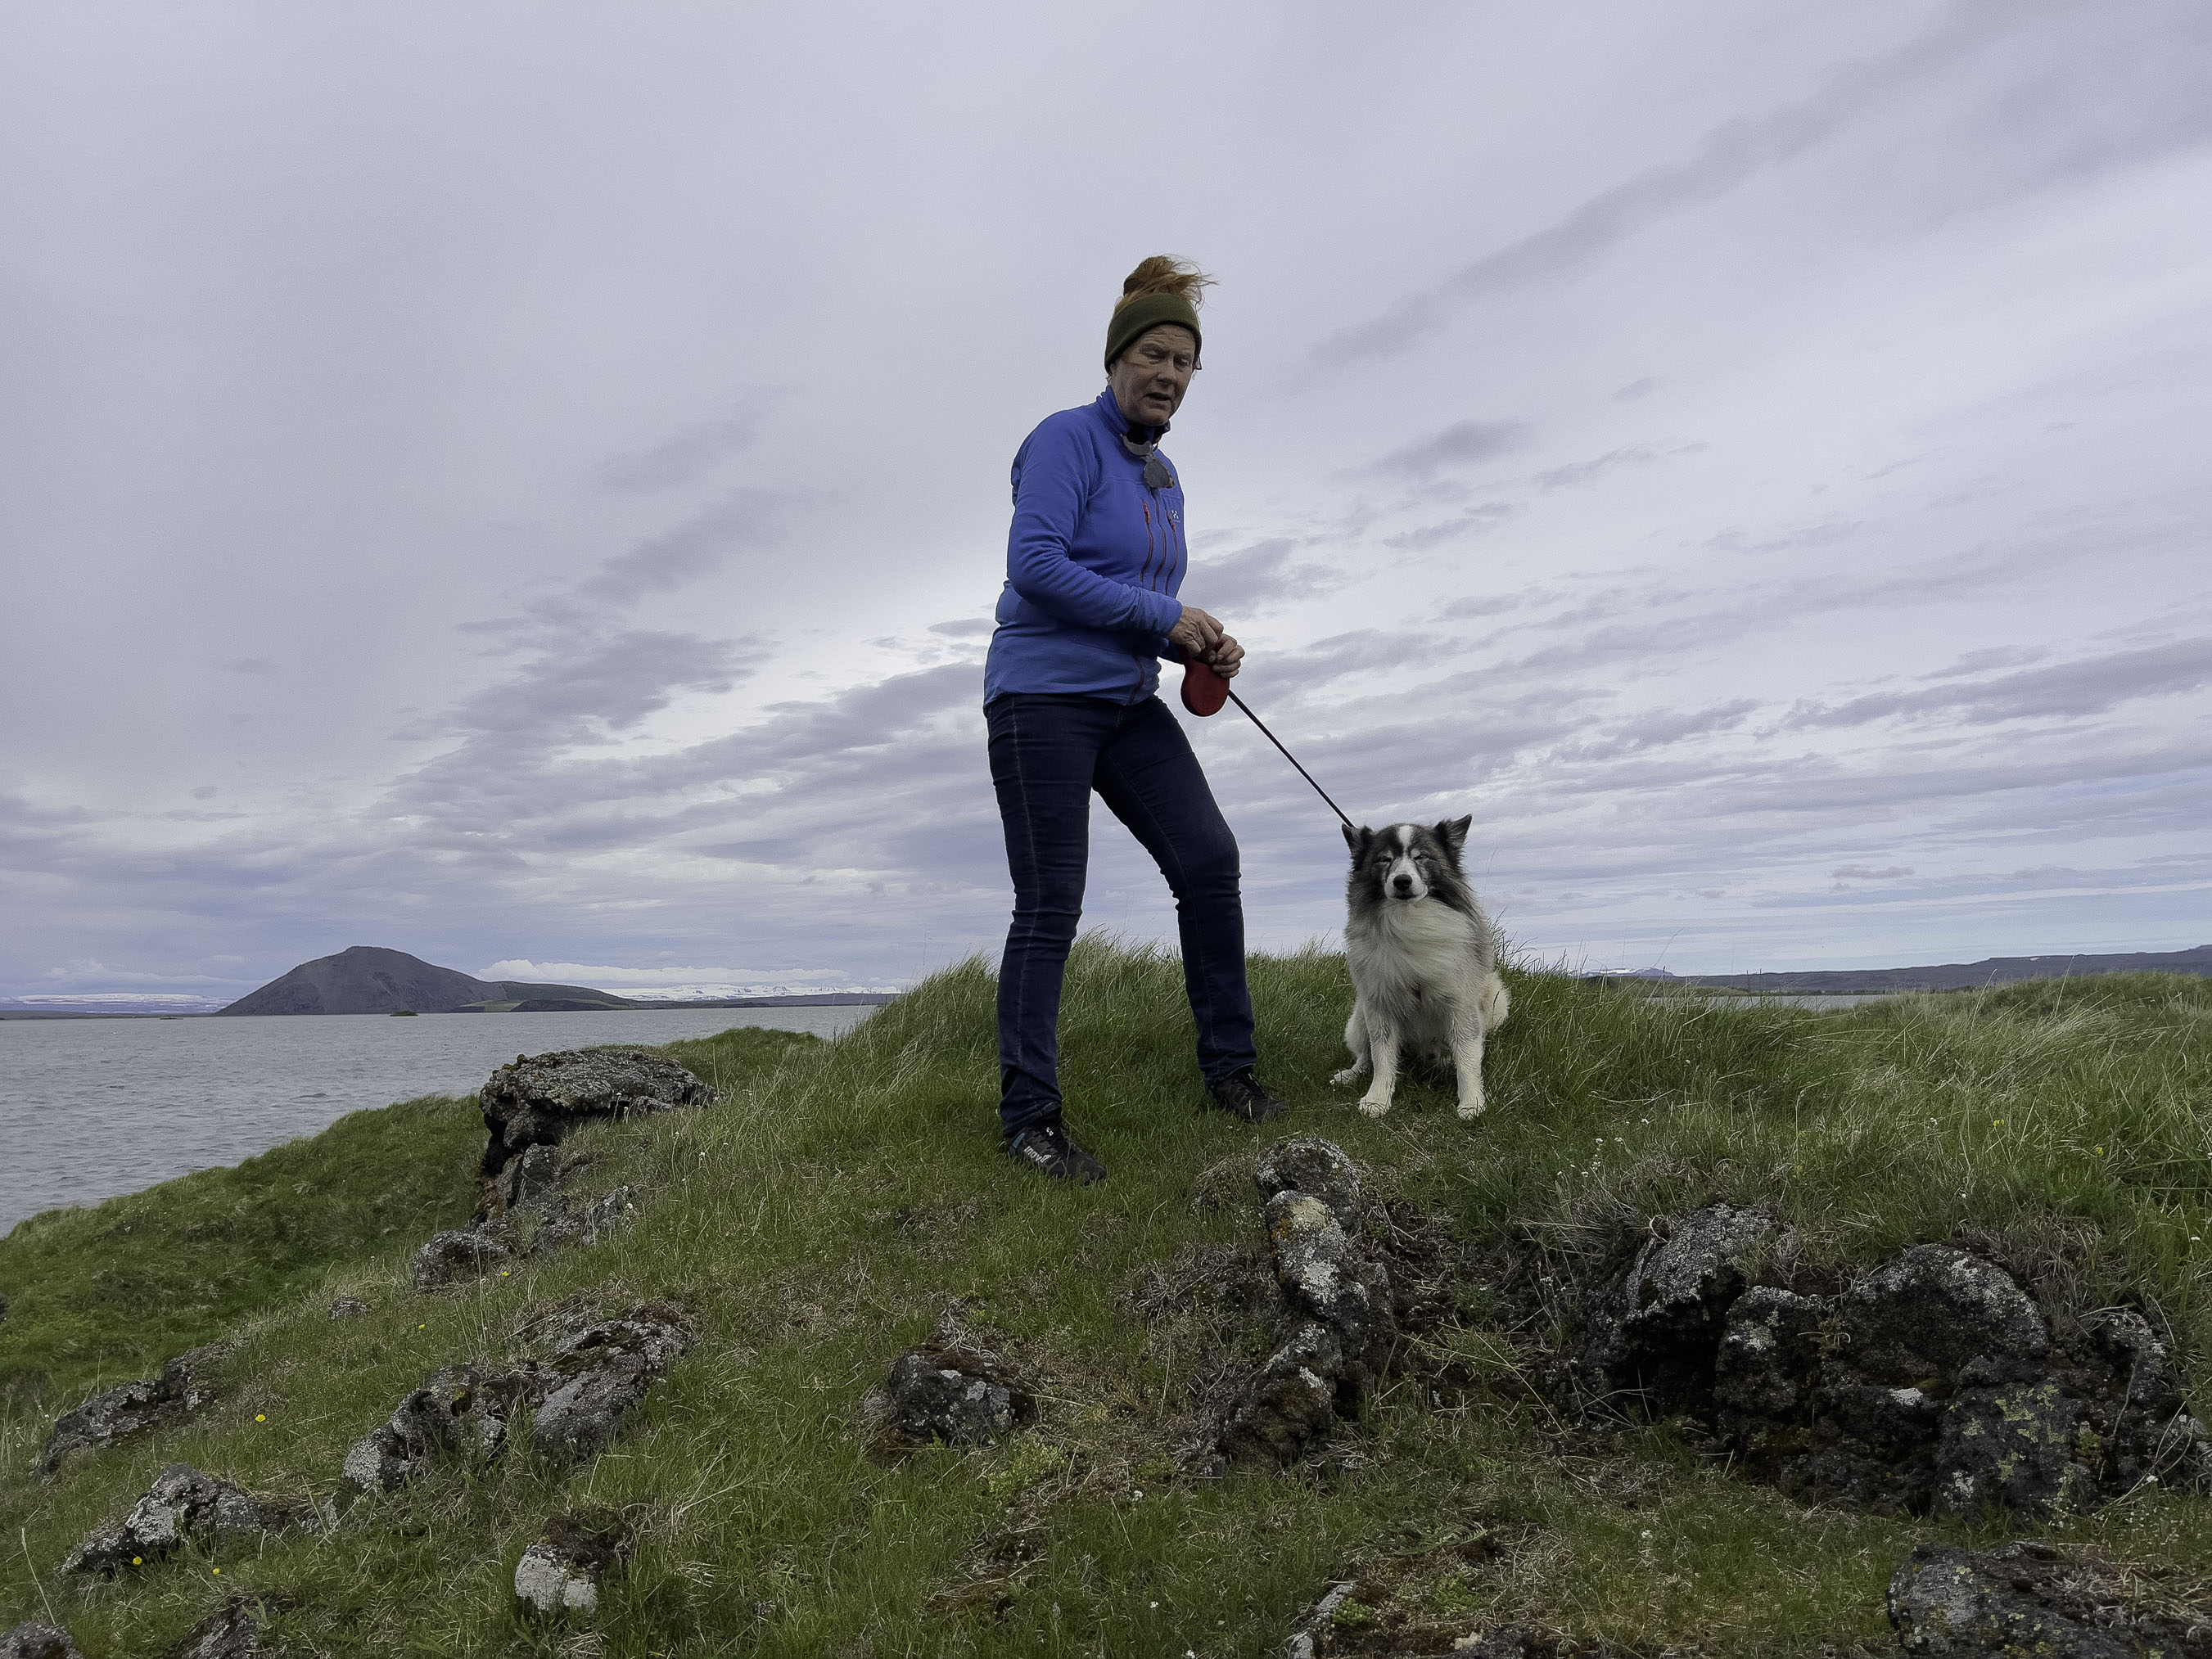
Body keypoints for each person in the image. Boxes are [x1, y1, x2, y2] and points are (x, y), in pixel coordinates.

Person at [982, 255, 1287, 1184]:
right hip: (1041, 698)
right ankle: (1029, 1118)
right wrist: (1164, 616)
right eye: (1152, 354)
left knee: (1209, 861)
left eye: (1183, 361)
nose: (1167, 373)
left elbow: (1134, 599)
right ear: (1117, 358)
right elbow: (1036, 567)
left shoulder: (1164, 475)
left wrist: (1195, 643)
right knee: (1050, 903)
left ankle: (1229, 1072)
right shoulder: (1063, 441)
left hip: (1125, 700)